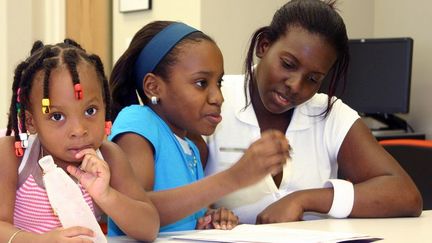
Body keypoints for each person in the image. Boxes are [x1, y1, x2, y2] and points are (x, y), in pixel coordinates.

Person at [205, 0, 423, 224]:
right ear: (264, 45)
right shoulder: (213, 100)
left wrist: (303, 200)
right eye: (288, 64)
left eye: (313, 79)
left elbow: (406, 196)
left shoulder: (330, 113)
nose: (296, 86)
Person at [108, 21, 290, 233]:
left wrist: (206, 218)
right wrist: (233, 178)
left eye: (218, 83)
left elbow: (178, 214)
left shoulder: (192, 147)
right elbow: (136, 213)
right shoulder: (137, 122)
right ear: (153, 87)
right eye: (201, 83)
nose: (218, 97)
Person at [0, 39, 160, 242]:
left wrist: (106, 195)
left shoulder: (109, 156)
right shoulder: (14, 155)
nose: (79, 130)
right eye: (57, 116)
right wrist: (40, 241)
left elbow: (149, 229)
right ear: (31, 121)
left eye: (90, 111)